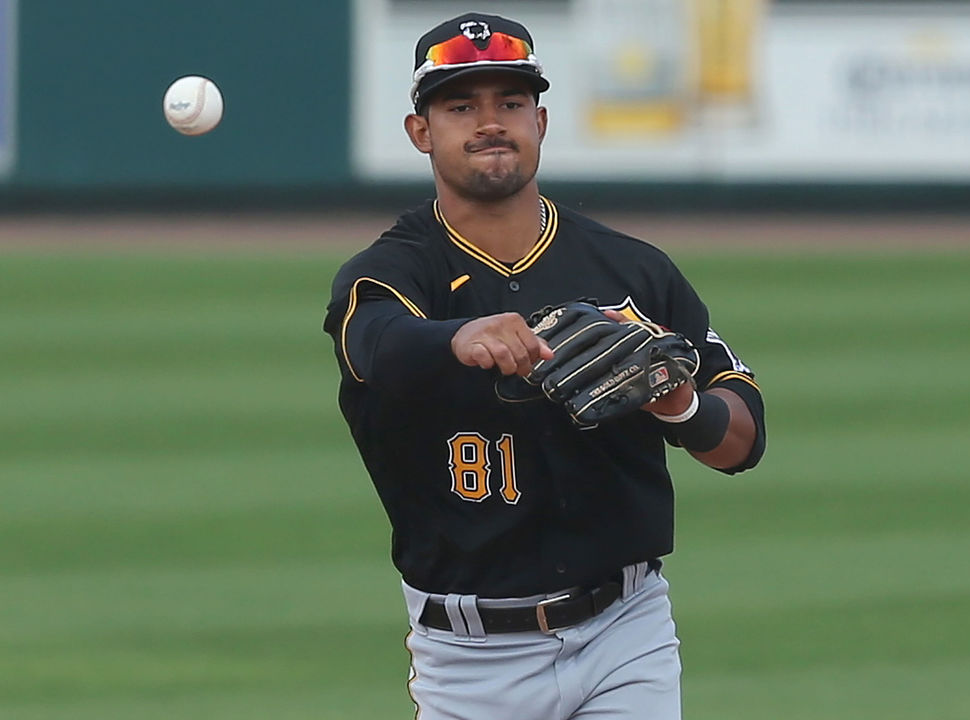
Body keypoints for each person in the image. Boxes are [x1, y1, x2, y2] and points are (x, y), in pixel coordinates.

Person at [323, 12, 766, 720]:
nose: (490, 121)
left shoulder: (632, 272)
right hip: (471, 662)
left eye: (511, 102)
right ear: (420, 132)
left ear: (542, 121)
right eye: (461, 105)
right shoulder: (392, 273)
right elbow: (371, 343)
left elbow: (743, 438)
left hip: (629, 634)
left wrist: (680, 407)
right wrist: (457, 338)